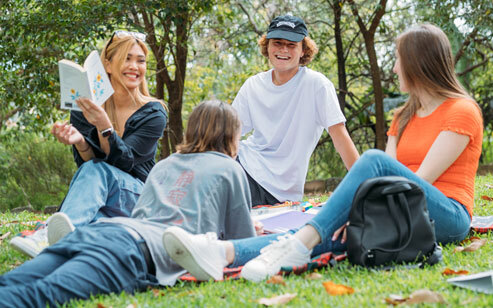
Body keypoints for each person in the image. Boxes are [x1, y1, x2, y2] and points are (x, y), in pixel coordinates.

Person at [162, 23, 484, 282]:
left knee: (370, 164)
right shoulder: (403, 117)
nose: (395, 67)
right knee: (313, 231)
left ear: (418, 63)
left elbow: (411, 185)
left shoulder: (462, 111)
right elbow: (390, 182)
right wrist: (356, 213)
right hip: (399, 210)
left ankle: (297, 243)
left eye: (399, 58)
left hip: (444, 214)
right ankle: (222, 253)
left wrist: (363, 209)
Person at [0, 100, 256, 308]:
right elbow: (241, 243)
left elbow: (143, 214)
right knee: (34, 298)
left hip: (100, 232)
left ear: (191, 130)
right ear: (232, 136)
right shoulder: (230, 169)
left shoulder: (165, 164)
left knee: (9, 284)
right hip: (130, 252)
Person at [10, 30, 168, 258]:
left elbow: (124, 164)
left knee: (96, 170)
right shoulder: (87, 105)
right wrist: (81, 143)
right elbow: (90, 168)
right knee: (95, 213)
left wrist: (105, 126)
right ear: (109, 65)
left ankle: (46, 236)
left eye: (140, 61)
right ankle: (77, 242)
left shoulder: (153, 113)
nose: (135, 66)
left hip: (137, 196)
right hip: (107, 198)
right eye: (127, 59)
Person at [232, 15, 360, 206]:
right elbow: (228, 134)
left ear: (303, 50)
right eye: (277, 43)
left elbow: (339, 136)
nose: (283, 49)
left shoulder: (317, 85)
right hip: (244, 166)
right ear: (267, 46)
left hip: (278, 189)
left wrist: (366, 184)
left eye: (291, 44)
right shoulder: (253, 85)